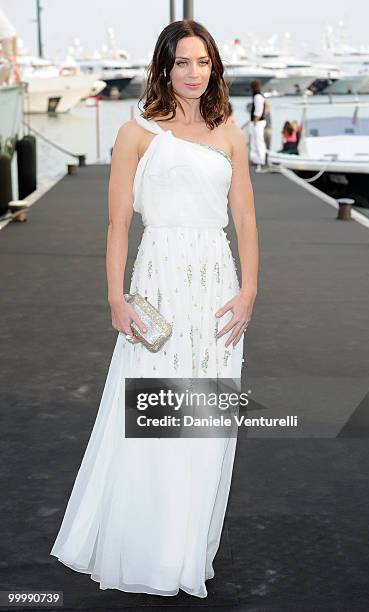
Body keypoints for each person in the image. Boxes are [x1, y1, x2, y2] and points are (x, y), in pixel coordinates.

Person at [50, 19, 259, 599]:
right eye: (183, 62)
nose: (195, 73)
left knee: (206, 424)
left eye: (204, 62)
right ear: (165, 67)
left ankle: (187, 550)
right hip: (160, 282)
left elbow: (244, 219)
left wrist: (249, 292)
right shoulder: (136, 133)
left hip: (217, 283)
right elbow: (118, 223)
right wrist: (115, 297)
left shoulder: (229, 133)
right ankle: (150, 551)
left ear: (213, 68)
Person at [249, 79, 267, 171]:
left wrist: (256, 119)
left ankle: (261, 159)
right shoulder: (259, 95)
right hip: (260, 121)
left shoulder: (257, 96)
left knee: (258, 140)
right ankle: (258, 158)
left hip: (258, 121)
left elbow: (259, 108)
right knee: (257, 140)